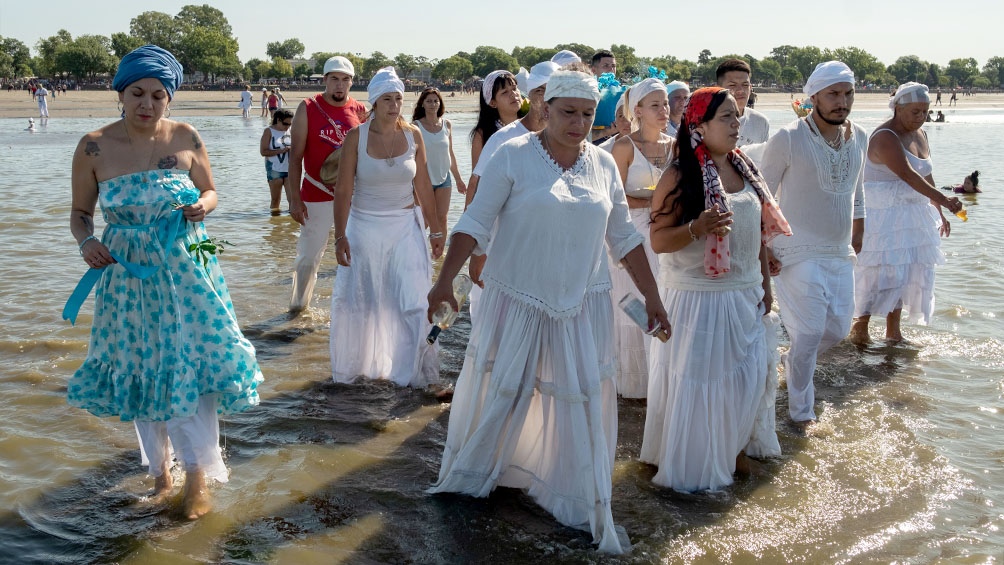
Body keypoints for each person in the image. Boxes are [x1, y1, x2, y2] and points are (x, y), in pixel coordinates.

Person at [427, 71, 669, 554]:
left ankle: (577, 499)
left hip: (582, 303)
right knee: (507, 393)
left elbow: (624, 238)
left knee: (579, 400)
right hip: (516, 297)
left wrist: (654, 297)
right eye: (568, 113)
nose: (578, 123)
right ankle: (482, 477)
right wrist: (443, 283)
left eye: (586, 114)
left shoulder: (602, 164)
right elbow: (474, 222)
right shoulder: (511, 154)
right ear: (544, 107)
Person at [66, 45, 263, 520]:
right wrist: (85, 243)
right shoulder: (93, 145)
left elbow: (212, 190)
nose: (147, 104)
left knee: (189, 369)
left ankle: (198, 480)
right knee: (143, 371)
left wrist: (205, 206)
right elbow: (79, 214)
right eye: (137, 93)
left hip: (190, 267)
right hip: (126, 277)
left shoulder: (187, 135)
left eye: (158, 95)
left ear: (170, 99)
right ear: (120, 94)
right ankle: (161, 475)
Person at [644, 87, 791, 491]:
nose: (736, 124)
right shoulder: (679, 175)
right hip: (698, 299)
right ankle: (698, 467)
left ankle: (732, 446)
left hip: (743, 293)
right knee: (705, 387)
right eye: (725, 117)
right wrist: (697, 227)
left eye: (736, 116)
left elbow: (757, 234)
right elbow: (657, 240)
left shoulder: (745, 168)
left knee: (747, 381)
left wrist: (765, 285)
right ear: (699, 125)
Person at [759, 61, 868, 430]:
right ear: (814, 97)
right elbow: (762, 195)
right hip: (795, 250)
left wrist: (859, 230)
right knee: (807, 332)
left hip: (840, 250)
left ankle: (794, 361)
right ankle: (801, 412)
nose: (842, 102)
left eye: (848, 93)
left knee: (837, 330)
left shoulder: (862, 137)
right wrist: (764, 246)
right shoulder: (788, 138)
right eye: (833, 94)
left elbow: (858, 190)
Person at [330, 67, 445, 386]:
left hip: (406, 227)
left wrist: (435, 230)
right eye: (387, 99)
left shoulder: (413, 134)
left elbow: (423, 185)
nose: (394, 105)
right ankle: (359, 371)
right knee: (364, 303)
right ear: (375, 103)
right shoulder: (357, 136)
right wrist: (340, 237)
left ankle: (411, 375)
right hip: (364, 227)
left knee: (411, 302)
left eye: (398, 98)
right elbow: (343, 191)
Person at [850, 83, 963, 346]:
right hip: (881, 216)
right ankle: (860, 329)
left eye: (925, 111)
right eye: (915, 111)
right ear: (898, 108)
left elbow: (926, 174)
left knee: (904, 274)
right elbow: (906, 174)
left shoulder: (920, 133)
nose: (920, 117)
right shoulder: (884, 136)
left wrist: (938, 210)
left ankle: (893, 333)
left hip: (911, 215)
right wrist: (944, 200)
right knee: (876, 273)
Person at [464, 62, 558, 320]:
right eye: (542, 91)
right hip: (503, 243)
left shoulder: (563, 137)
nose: (550, 98)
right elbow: (476, 187)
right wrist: (477, 249)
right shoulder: (500, 138)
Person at [286, 56, 368, 313]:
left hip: (353, 196)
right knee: (309, 257)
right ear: (325, 80)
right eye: (334, 79)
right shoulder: (307, 107)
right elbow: (295, 156)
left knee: (355, 255)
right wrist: (294, 199)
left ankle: (353, 310)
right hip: (315, 193)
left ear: (352, 82)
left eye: (345, 80)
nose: (339, 85)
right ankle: (298, 309)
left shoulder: (361, 111)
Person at [608, 78, 674, 398]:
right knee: (633, 306)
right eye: (656, 105)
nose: (665, 110)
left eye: (666, 103)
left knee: (666, 300)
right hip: (632, 231)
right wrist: (653, 202)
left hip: (664, 232)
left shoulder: (673, 144)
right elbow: (614, 196)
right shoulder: (623, 146)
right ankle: (636, 386)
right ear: (638, 110)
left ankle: (663, 379)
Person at [413, 87, 467, 237]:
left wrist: (458, 179)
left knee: (442, 219)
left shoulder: (447, 124)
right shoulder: (416, 126)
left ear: (440, 103)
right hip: (423, 180)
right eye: (429, 101)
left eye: (435, 101)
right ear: (422, 104)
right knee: (424, 221)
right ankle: (417, 253)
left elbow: (450, 153)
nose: (432, 104)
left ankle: (439, 256)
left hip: (444, 179)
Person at [716, 59, 769, 158]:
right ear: (718, 89)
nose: (740, 90)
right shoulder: (708, 123)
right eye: (732, 85)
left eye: (745, 85)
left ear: (750, 87)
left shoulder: (761, 122)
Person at [260, 108, 294, 215]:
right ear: (278, 120)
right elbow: (263, 152)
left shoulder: (290, 130)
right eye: (285, 123)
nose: (287, 126)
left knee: (292, 200)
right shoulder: (269, 131)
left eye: (290, 124)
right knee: (276, 200)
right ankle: (275, 225)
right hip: (274, 169)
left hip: (290, 169)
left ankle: (291, 227)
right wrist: (281, 150)